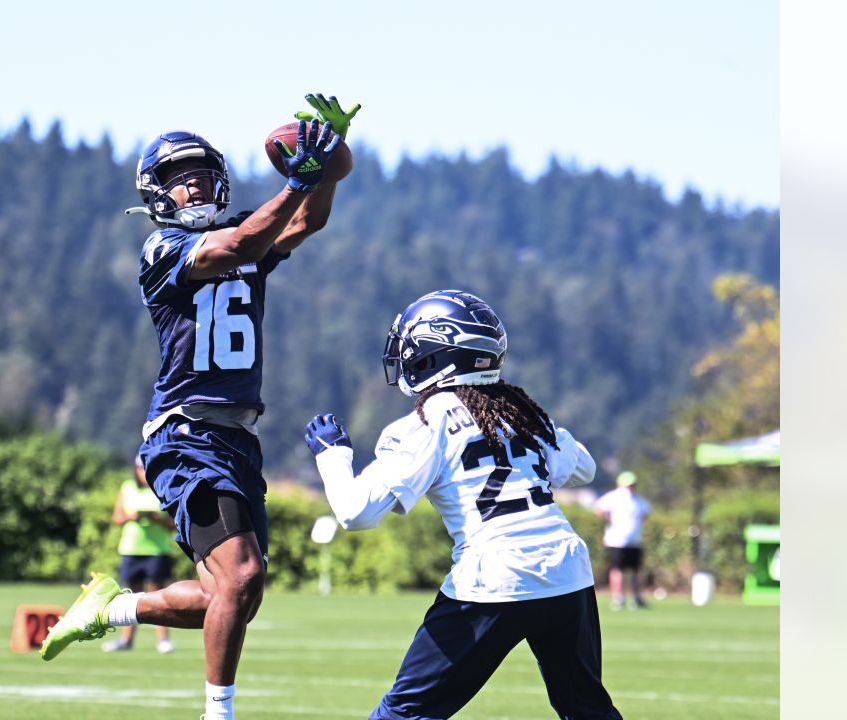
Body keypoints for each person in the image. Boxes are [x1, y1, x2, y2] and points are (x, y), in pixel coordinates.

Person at [40, 93, 361, 720]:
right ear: (157, 196)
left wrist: (323, 172)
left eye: (199, 174)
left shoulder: (246, 228)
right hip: (184, 434)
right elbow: (235, 250)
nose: (191, 186)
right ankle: (219, 714)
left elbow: (306, 223)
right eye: (177, 180)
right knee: (238, 579)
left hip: (237, 438)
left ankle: (112, 609)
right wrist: (297, 179)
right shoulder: (163, 250)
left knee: (235, 594)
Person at [303, 289, 621, 719]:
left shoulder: (425, 423)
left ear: (436, 354)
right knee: (586, 710)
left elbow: (356, 513)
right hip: (566, 570)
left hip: (493, 575)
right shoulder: (525, 412)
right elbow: (583, 469)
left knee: (405, 713)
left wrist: (332, 454)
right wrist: (540, 429)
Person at [103, 454, 177, 654]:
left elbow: (174, 524)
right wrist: (131, 517)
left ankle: (163, 640)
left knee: (158, 595)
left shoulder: (162, 489)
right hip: (131, 549)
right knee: (131, 596)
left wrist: (157, 519)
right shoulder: (127, 488)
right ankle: (126, 640)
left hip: (157, 550)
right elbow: (117, 518)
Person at [593, 471, 652, 610]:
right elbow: (598, 508)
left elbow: (646, 513)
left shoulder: (638, 501)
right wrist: (608, 518)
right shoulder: (613, 498)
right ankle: (618, 598)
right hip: (616, 541)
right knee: (617, 570)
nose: (630, 488)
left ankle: (636, 598)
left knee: (636, 571)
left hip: (634, 541)